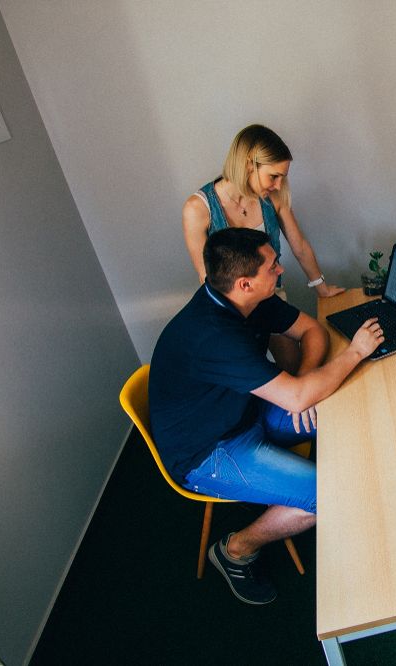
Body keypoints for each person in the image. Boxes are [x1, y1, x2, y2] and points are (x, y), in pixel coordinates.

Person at [150, 228, 383, 605]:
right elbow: (298, 395)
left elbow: (311, 330)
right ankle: (236, 549)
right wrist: (354, 352)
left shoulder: (248, 300)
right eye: (273, 266)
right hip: (206, 453)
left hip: (246, 412)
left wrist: (304, 382)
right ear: (245, 283)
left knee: (340, 408)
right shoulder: (213, 335)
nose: (280, 269)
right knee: (329, 493)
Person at [182, 123, 344, 377]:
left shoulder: (273, 197)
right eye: (273, 176)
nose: (278, 185)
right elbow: (207, 278)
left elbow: (299, 246)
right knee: (253, 372)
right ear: (249, 164)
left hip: (270, 295)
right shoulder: (198, 209)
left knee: (294, 365)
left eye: (282, 177)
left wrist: (321, 287)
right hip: (234, 308)